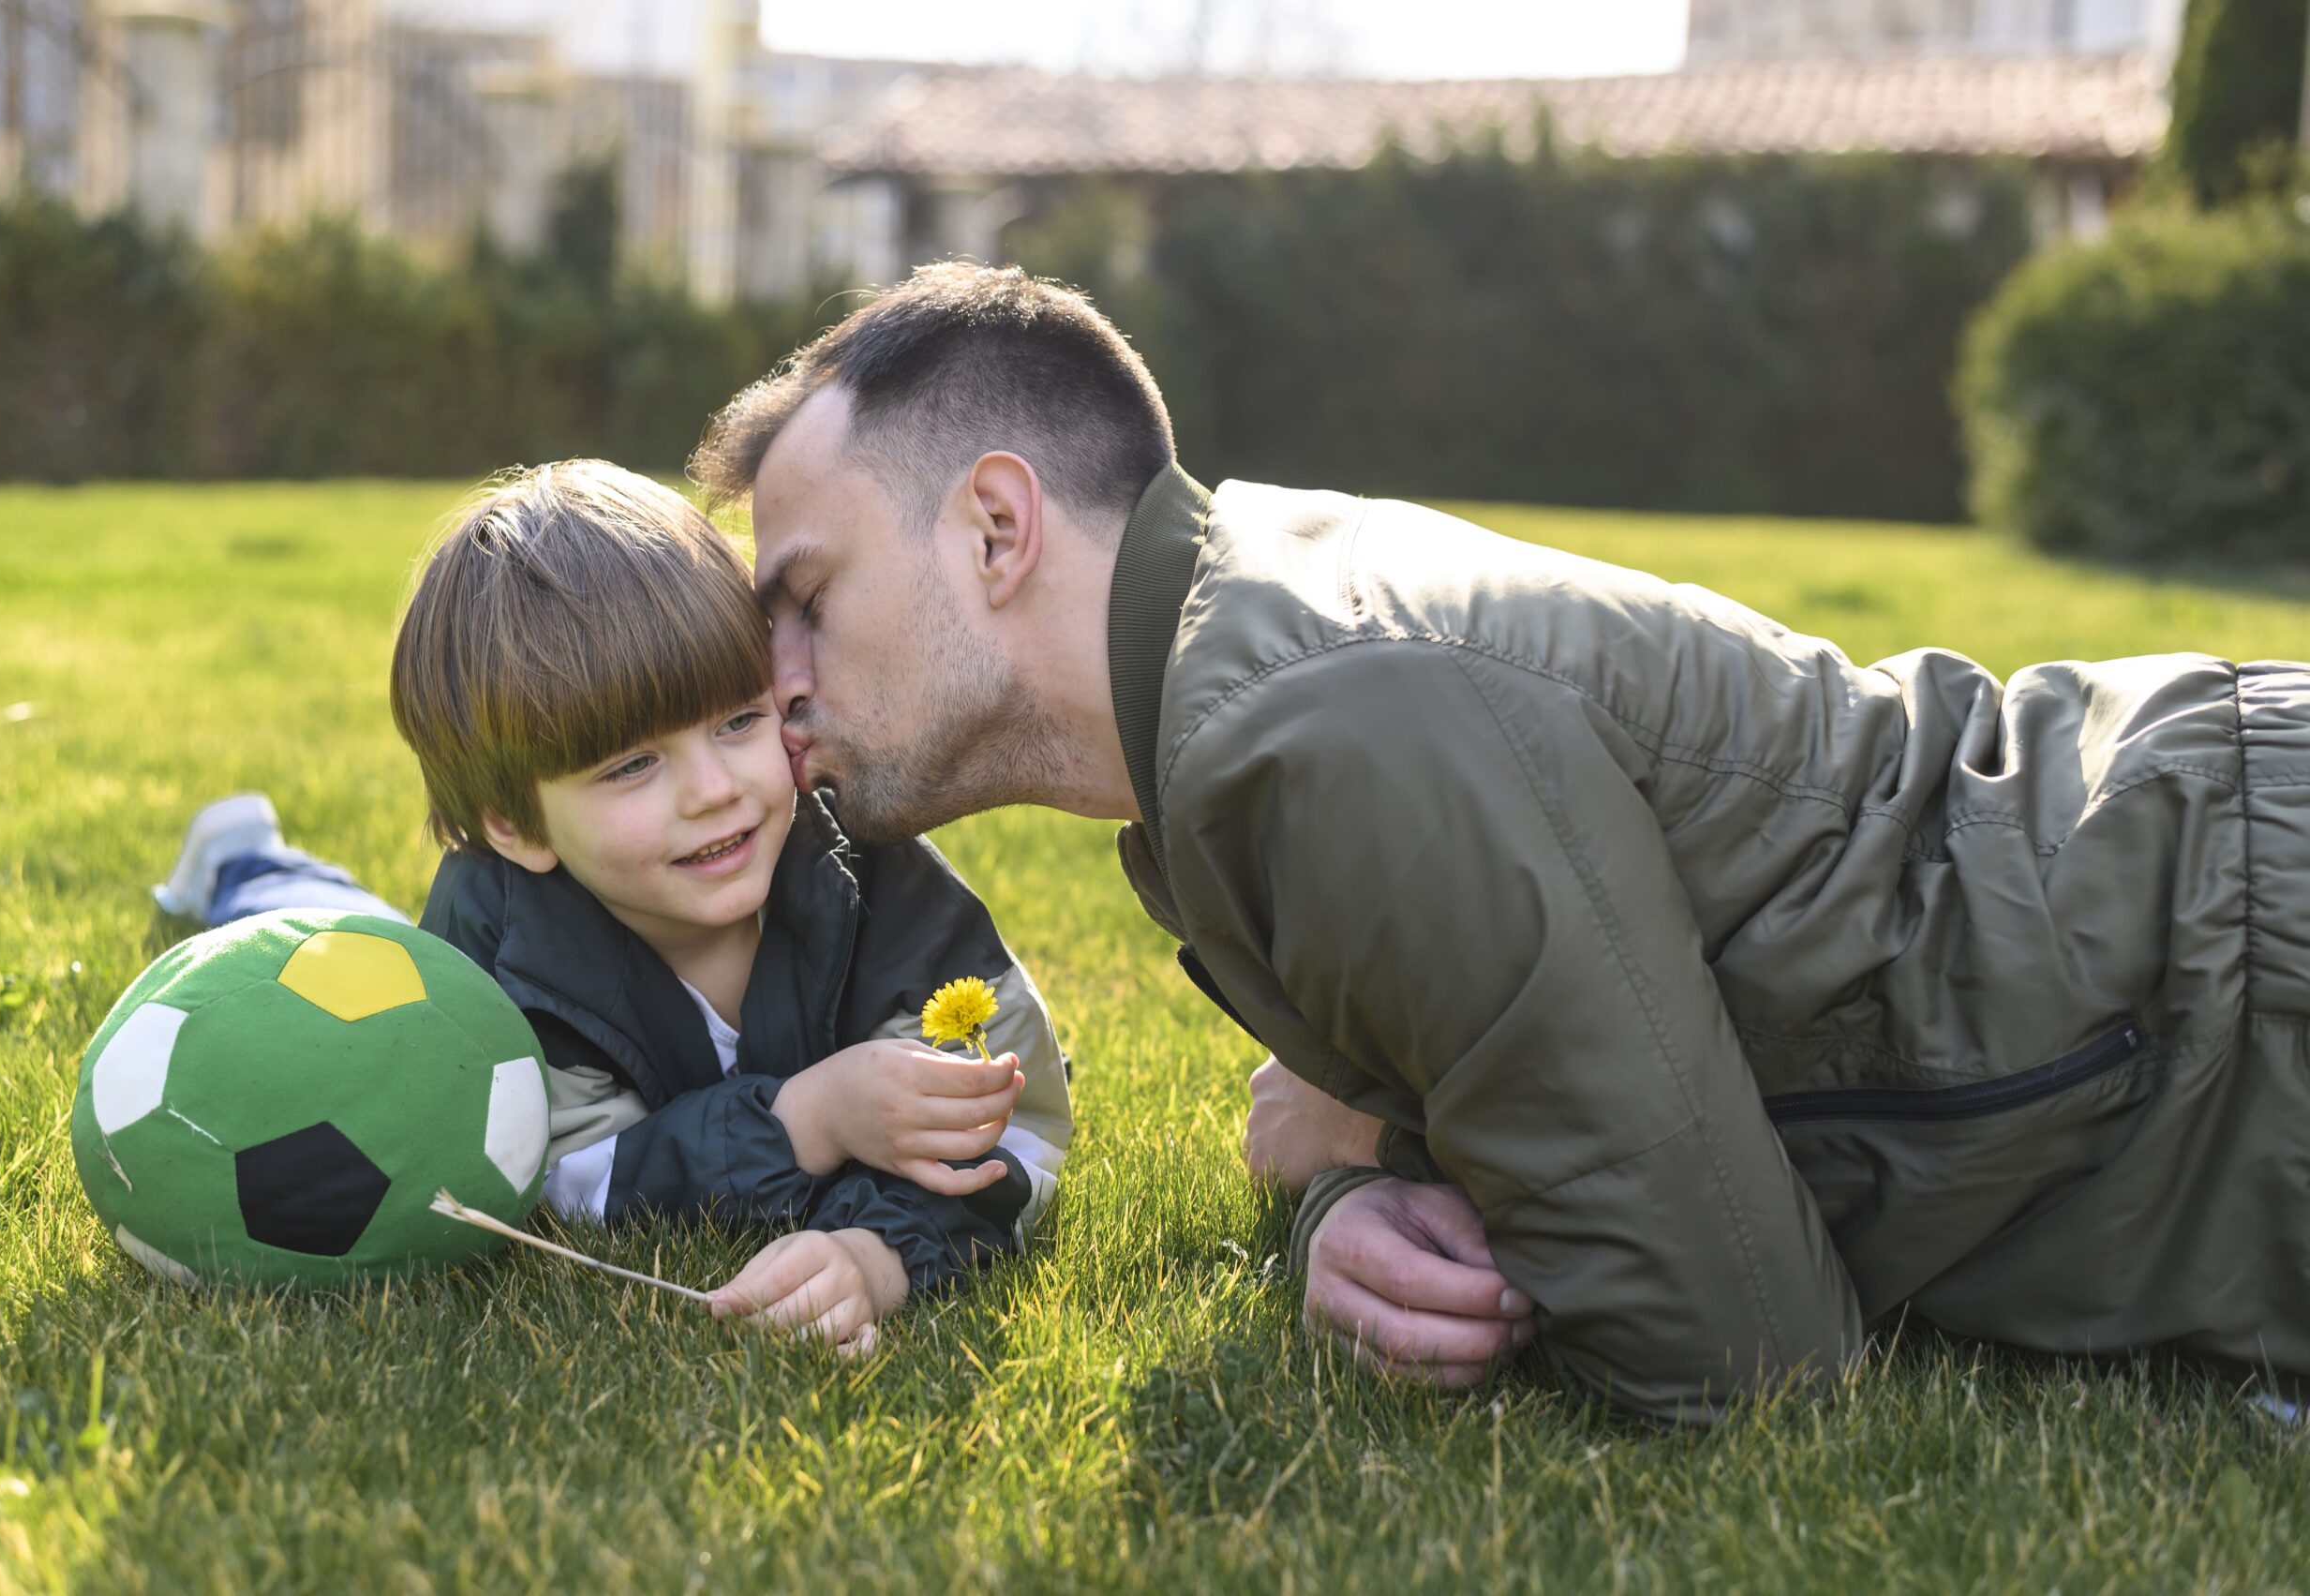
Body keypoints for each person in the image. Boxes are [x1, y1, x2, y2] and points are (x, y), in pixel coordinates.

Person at [689, 261, 2310, 1424]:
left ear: (993, 526)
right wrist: (1354, 1191)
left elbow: (1740, 1353)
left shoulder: (1308, 734)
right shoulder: (1229, 673)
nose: (773, 681)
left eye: (807, 597)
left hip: (2246, 940)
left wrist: (1349, 1162)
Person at [152, 459, 1074, 1354]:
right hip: (437, 952)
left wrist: (872, 1255)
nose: (714, 789)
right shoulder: (498, 953)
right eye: (633, 764)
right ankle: (245, 863)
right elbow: (551, 1177)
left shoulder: (863, 863)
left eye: (738, 721)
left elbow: (1014, 1118)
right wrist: (804, 1121)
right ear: (514, 821)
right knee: (342, 958)